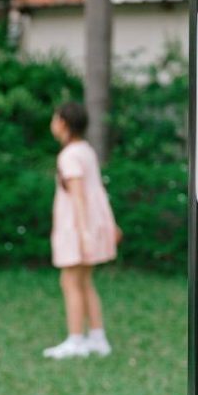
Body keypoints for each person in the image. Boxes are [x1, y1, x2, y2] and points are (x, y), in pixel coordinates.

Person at [43, 102, 121, 360]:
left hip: (76, 228)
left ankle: (76, 340)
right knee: (84, 282)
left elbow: (79, 198)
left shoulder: (69, 156)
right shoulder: (86, 150)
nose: (53, 123)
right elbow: (97, 191)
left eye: (55, 118)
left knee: (70, 282)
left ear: (63, 123)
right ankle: (97, 338)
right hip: (89, 225)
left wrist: (84, 235)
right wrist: (108, 226)